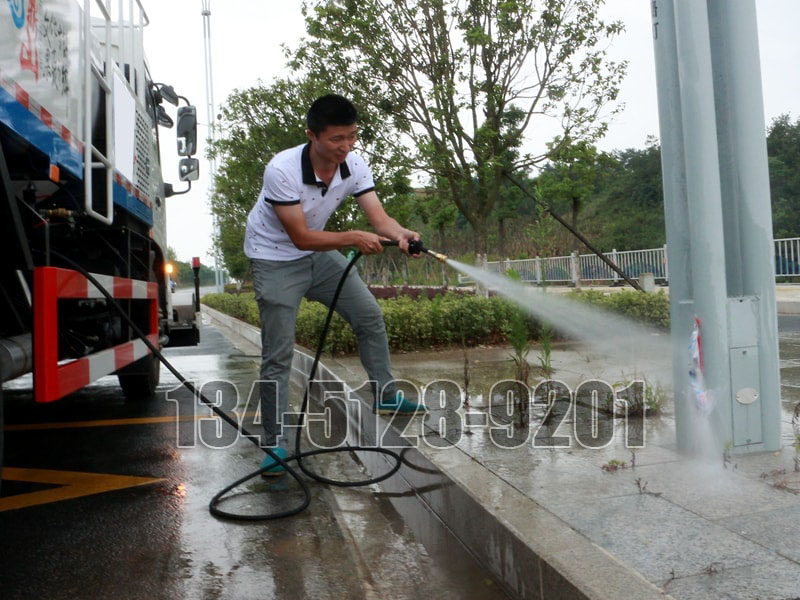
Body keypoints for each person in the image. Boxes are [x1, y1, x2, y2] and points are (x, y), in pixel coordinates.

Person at [244, 94, 426, 475]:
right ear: (312, 135)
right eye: (336, 139)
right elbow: (300, 237)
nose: (346, 146)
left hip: (319, 255)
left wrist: (402, 235)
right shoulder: (282, 170)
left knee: (369, 316)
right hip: (275, 257)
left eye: (352, 136)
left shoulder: (354, 165)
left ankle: (387, 396)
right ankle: (275, 442)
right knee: (278, 354)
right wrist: (352, 237)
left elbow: (379, 220)